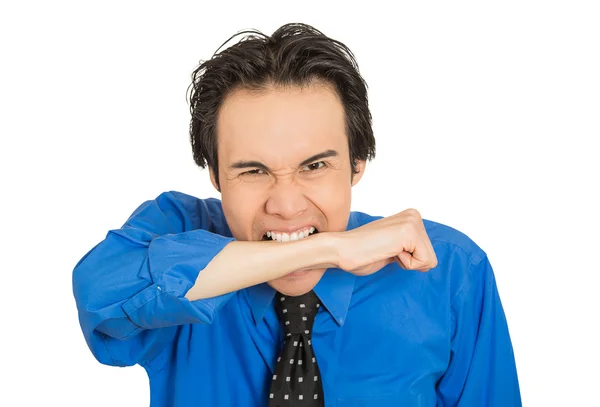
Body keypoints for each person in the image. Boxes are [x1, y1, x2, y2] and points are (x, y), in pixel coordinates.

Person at [72, 23, 521, 406]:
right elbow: (100, 297)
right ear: (214, 175)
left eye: (315, 166)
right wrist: (326, 248)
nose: (285, 206)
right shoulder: (176, 231)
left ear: (358, 163)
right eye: (253, 170)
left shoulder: (451, 271)